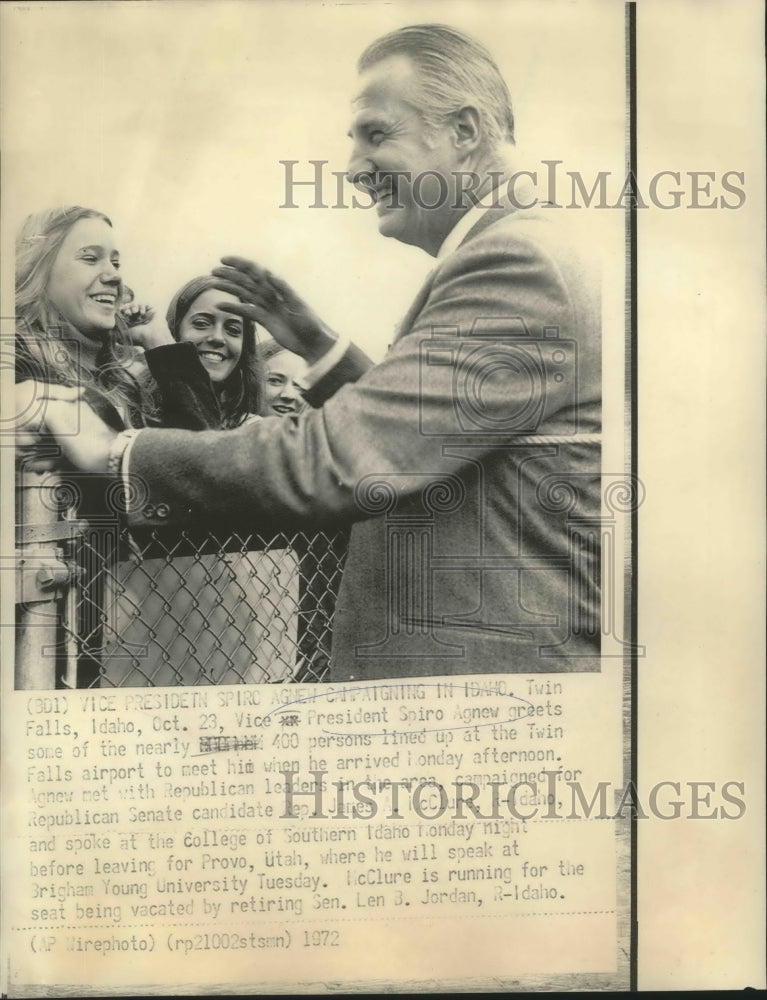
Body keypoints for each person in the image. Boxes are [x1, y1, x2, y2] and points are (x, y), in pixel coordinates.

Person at [31, 24, 601, 681]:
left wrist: (118, 452)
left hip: (479, 685)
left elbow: (345, 456)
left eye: (375, 133)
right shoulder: (530, 247)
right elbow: (429, 436)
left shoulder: (517, 261)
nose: (354, 168)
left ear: (465, 132)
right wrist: (319, 345)